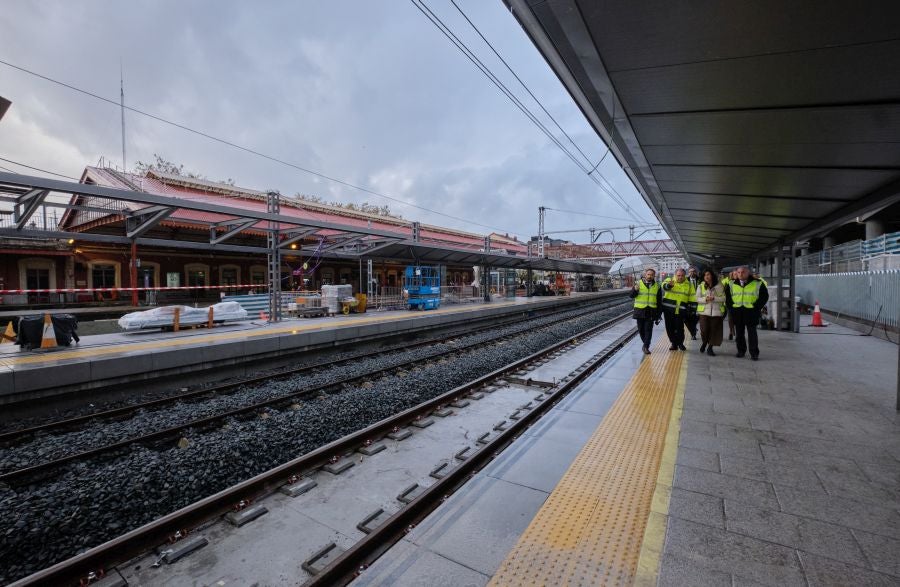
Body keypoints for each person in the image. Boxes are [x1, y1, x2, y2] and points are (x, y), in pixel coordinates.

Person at [725, 265, 769, 360]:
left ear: (748, 273)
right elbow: (727, 298)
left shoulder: (758, 283)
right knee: (739, 333)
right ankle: (741, 351)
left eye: (743, 272)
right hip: (737, 312)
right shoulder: (731, 284)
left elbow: (764, 296)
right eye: (739, 272)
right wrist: (732, 308)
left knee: (752, 333)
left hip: (751, 312)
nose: (740, 274)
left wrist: (756, 307)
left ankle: (754, 353)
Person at [629, 268, 662, 355]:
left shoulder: (657, 286)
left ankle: (646, 346)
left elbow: (659, 301)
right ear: (645, 275)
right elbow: (631, 296)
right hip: (640, 311)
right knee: (641, 330)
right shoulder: (638, 283)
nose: (650, 276)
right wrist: (635, 290)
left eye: (652, 275)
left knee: (648, 329)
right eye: (648, 274)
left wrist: (659, 314)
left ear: (654, 276)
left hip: (651, 311)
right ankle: (645, 343)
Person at [661, 268, 693, 351]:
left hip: (681, 310)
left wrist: (692, 309)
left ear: (685, 276)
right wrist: (669, 286)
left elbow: (692, 297)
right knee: (669, 328)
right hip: (669, 310)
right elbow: (664, 286)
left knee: (680, 328)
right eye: (678, 275)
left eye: (682, 275)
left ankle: (680, 343)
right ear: (675, 275)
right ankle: (673, 343)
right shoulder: (669, 280)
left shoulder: (689, 284)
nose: (680, 277)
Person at [696, 269, 726, 356]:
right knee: (704, 330)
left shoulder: (720, 286)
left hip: (716, 312)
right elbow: (697, 298)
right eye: (705, 275)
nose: (707, 277)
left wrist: (715, 298)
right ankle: (705, 342)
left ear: (712, 275)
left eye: (708, 274)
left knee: (714, 331)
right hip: (704, 312)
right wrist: (705, 299)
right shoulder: (700, 286)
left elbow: (724, 298)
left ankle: (710, 347)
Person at [684, 266, 701, 340]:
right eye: (690, 271)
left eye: (694, 271)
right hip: (688, 303)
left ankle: (693, 333)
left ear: (696, 272)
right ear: (688, 273)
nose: (692, 273)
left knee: (695, 319)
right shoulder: (685, 281)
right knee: (686, 319)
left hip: (698, 302)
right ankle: (693, 330)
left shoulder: (700, 280)